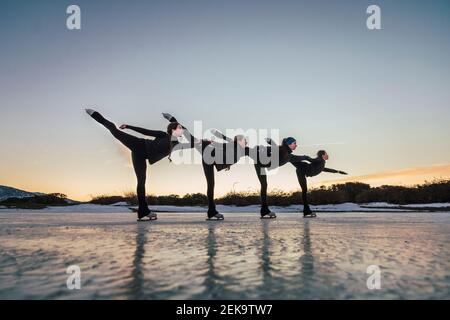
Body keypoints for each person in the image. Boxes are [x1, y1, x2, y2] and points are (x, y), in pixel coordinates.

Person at [85, 109, 196, 221]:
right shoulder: (163, 135)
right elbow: (145, 131)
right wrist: (129, 126)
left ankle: (143, 211)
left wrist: (172, 119)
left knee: (141, 181)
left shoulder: (178, 145)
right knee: (116, 132)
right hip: (139, 145)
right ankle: (95, 115)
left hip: (140, 157)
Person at [161, 114, 247, 220]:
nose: (246, 142)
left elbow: (225, 145)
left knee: (211, 185)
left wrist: (227, 163)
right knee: (191, 138)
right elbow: (223, 143)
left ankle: (211, 212)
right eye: (244, 140)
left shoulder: (237, 149)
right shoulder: (234, 145)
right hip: (209, 153)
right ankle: (172, 120)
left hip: (208, 158)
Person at [290, 150, 348, 218]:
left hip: (301, 171)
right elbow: (312, 160)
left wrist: (338, 171)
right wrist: (306, 157)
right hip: (304, 167)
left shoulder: (321, 164)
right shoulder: (320, 159)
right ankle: (284, 154)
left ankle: (306, 211)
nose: (327, 155)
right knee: (290, 158)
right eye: (326, 154)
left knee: (304, 190)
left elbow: (327, 169)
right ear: (322, 155)